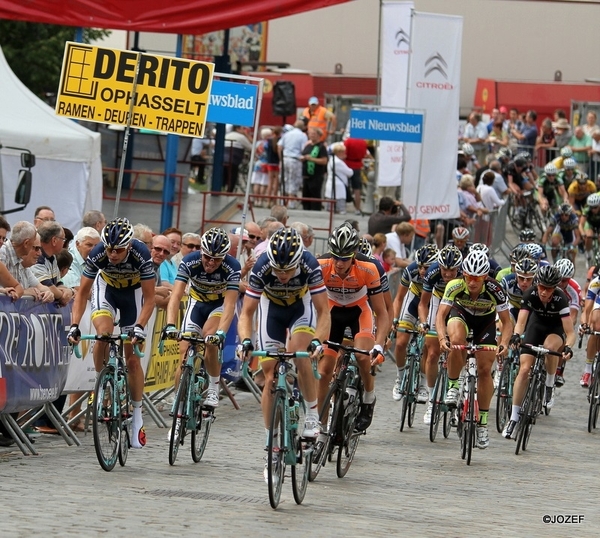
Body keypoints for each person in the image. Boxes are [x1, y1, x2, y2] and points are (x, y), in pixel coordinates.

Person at [237, 228, 331, 481]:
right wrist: (245, 340)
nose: (282, 275)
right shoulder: (262, 267)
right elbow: (247, 313)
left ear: (299, 260)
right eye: (278, 270)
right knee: (270, 378)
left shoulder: (310, 265)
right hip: (272, 311)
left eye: (288, 270)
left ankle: (312, 415)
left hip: (301, 309)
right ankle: (272, 445)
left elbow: (324, 312)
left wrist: (317, 342)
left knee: (301, 356)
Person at [68, 218, 156, 449]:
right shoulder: (98, 253)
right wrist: (74, 325)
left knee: (133, 359)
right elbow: (82, 293)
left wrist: (139, 326)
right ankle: (100, 382)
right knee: (104, 334)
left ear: (128, 246)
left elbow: (150, 299)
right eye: (109, 249)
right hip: (106, 289)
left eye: (117, 250)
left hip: (133, 295)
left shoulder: (141, 253)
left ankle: (137, 414)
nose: (112, 254)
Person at [437, 250, 511, 449]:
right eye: (468, 277)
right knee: (457, 340)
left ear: (485, 277)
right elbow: (440, 314)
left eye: (477, 278)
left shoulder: (495, 289)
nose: (472, 282)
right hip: (461, 315)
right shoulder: (455, 286)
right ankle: (453, 386)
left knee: (485, 370)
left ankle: (483, 423)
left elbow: (506, 321)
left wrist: (504, 342)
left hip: (485, 323)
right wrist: (442, 337)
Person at [318, 224, 388, 433]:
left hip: (359, 312)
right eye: (335, 257)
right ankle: (319, 425)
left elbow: (382, 313)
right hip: (332, 313)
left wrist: (379, 345)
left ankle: (368, 397)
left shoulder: (369, 268)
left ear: (354, 255)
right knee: (323, 372)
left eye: (345, 258)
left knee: (363, 357)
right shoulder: (320, 265)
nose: (339, 263)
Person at [163, 228, 241, 409]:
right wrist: (170, 325)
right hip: (196, 303)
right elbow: (175, 296)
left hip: (218, 306)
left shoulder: (232, 266)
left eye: (217, 259)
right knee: (184, 353)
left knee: (210, 339)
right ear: (201, 253)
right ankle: (179, 403)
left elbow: (230, 304)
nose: (211, 262)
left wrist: (221, 332)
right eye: (207, 257)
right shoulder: (190, 261)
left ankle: (213, 387)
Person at [502, 265, 575, 439]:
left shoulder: (560, 299)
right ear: (537, 284)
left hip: (555, 329)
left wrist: (568, 347)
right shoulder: (531, 294)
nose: (544, 291)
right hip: (536, 326)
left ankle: (549, 385)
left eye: (548, 288)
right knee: (524, 370)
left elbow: (571, 332)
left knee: (549, 349)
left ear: (555, 287)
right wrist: (516, 336)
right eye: (542, 286)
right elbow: (521, 322)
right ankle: (513, 418)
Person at [417, 245, 463, 424]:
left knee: (459, 346)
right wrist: (423, 322)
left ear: (458, 268)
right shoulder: (433, 272)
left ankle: (458, 392)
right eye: (445, 269)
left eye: (452, 270)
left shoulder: (464, 274)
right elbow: (423, 304)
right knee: (432, 353)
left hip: (459, 302)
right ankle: (431, 400)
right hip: (438, 301)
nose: (448, 273)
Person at [392, 244, 439, 405]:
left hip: (432, 303)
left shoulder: (439, 274)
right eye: (420, 266)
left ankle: (424, 383)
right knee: (400, 343)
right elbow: (398, 298)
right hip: (413, 301)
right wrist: (395, 319)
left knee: (429, 345)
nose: (422, 271)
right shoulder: (410, 270)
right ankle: (399, 377)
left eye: (426, 267)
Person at [0, 221, 53, 302]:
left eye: (3, 238)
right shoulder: (3, 252)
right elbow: (8, 290)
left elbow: (18, 288)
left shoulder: (20, 260)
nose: (40, 253)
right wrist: (27, 292)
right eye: (35, 248)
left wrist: (48, 293)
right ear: (26, 243)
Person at [31, 221, 75, 306]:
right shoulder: (37, 258)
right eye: (63, 239)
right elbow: (49, 287)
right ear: (54, 240)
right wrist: (63, 295)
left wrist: (68, 291)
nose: (64, 243)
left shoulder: (53, 257)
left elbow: (57, 284)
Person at [277, 120, 307, 208]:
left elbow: (279, 146)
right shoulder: (302, 135)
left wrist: (281, 158)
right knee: (294, 180)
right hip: (295, 159)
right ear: (303, 127)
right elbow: (303, 149)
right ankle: (291, 202)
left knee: (284, 179)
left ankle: (283, 201)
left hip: (285, 158)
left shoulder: (287, 134)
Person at [300, 127, 328, 211]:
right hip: (306, 175)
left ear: (319, 135)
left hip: (316, 175)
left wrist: (311, 159)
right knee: (305, 194)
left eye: (313, 134)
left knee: (315, 194)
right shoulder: (308, 145)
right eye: (310, 134)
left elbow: (324, 161)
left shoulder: (321, 147)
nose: (311, 135)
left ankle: (315, 210)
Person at [344, 137, 370, 215]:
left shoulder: (348, 141)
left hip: (347, 165)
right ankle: (357, 209)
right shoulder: (363, 142)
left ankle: (343, 207)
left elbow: (345, 153)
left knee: (345, 187)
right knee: (357, 189)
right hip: (358, 166)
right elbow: (364, 154)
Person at [324, 142, 353, 214]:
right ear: (339, 152)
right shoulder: (338, 162)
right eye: (343, 152)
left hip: (332, 186)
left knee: (330, 210)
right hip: (339, 187)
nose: (344, 153)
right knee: (340, 210)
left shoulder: (331, 160)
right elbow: (350, 172)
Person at [223, 125, 253, 193]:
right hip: (234, 160)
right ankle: (229, 192)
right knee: (233, 176)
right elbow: (251, 147)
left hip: (223, 159)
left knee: (224, 176)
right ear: (238, 129)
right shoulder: (241, 137)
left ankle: (221, 190)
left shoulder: (227, 135)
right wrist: (247, 136)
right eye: (243, 128)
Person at [150, 234, 174, 309]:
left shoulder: (157, 266)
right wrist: (175, 297)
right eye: (158, 249)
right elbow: (144, 296)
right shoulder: (142, 264)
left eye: (166, 252)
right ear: (150, 247)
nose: (161, 254)